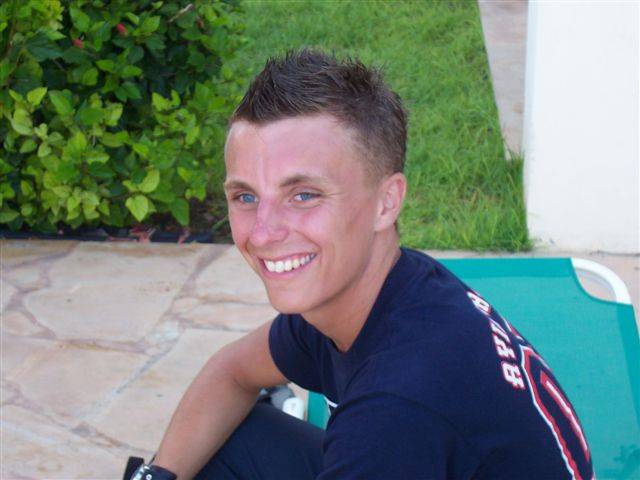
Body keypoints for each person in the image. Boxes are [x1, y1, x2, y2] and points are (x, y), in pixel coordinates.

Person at [130, 49, 594, 480]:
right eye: (246, 197)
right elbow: (231, 372)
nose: (263, 233)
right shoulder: (378, 290)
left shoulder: (394, 410)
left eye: (304, 195)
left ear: (386, 202)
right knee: (236, 435)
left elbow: (390, 425)